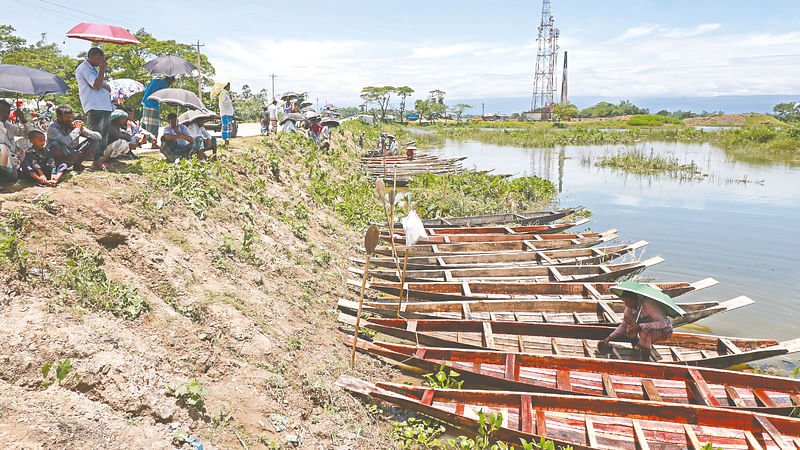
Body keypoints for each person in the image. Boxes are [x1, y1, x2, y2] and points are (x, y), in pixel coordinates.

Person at [597, 291, 673, 361]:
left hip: (664, 331)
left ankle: (645, 359)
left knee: (644, 332)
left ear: (635, 299)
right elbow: (624, 325)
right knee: (630, 329)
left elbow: (663, 323)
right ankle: (639, 347)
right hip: (648, 329)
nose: (626, 304)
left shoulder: (648, 305)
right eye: (624, 301)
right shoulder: (629, 308)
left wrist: (640, 326)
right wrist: (610, 337)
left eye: (628, 301)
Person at [75, 47, 113, 170]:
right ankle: (83, 160)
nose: (101, 62)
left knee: (103, 136)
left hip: (104, 106)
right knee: (93, 135)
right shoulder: (84, 68)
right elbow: (97, 85)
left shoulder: (95, 70)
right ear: (92, 56)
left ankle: (98, 160)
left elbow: (107, 87)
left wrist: (100, 74)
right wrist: (102, 70)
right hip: (94, 105)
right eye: (99, 59)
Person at [46, 105, 101, 170]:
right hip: (60, 155)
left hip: (72, 153)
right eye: (67, 117)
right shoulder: (52, 127)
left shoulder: (73, 125)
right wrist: (77, 130)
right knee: (54, 144)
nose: (70, 120)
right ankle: (58, 166)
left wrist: (82, 129)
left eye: (71, 117)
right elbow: (66, 142)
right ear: (58, 117)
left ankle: (77, 164)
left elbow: (98, 137)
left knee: (93, 140)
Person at [0, 100, 34, 186]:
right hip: (3, 159)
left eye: (7, 112)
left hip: (12, 158)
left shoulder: (8, 125)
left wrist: (22, 119)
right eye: (2, 111)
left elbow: (30, 134)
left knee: (28, 143)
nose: (5, 114)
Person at [140, 76, 174, 147]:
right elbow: (162, 96)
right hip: (152, 105)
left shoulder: (155, 81)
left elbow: (146, 89)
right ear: (169, 79)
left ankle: (143, 139)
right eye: (170, 83)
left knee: (145, 123)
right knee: (154, 124)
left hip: (145, 104)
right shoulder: (163, 84)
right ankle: (154, 143)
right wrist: (171, 102)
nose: (169, 85)